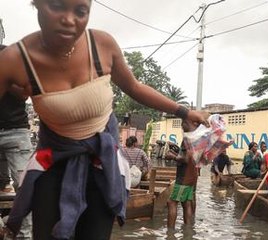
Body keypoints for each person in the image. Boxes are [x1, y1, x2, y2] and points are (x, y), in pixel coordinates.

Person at [0, 1, 209, 239]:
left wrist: (184, 112)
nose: (69, 19)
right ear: (36, 3)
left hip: (103, 162)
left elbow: (134, 87)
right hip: (52, 161)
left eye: (80, 11)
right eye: (57, 6)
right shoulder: (14, 59)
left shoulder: (101, 44)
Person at [0, 44, 33, 240]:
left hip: (16, 133)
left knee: (24, 186)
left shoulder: (12, 59)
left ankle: (24, 236)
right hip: (16, 133)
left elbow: (24, 93)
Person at [165, 120, 200, 229]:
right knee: (186, 203)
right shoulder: (197, 139)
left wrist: (172, 156)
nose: (182, 126)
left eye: (183, 124)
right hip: (192, 176)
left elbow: (185, 159)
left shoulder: (187, 139)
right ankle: (188, 231)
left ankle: (170, 233)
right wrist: (176, 153)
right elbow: (189, 157)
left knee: (171, 202)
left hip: (184, 177)